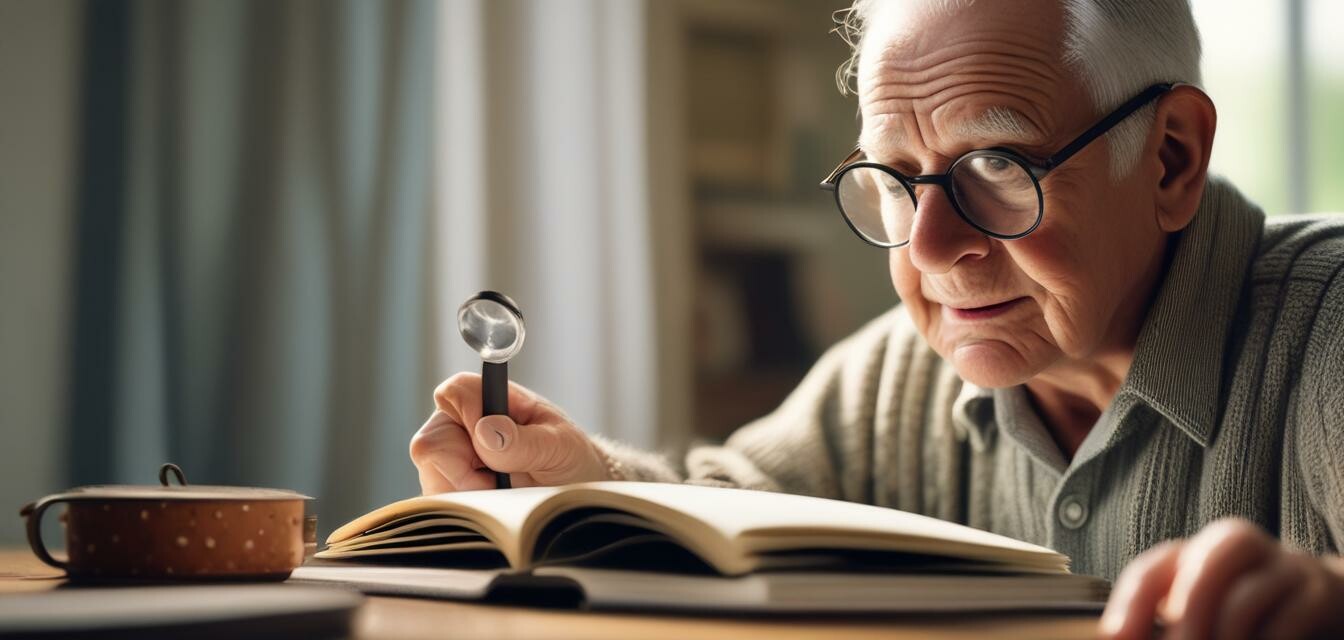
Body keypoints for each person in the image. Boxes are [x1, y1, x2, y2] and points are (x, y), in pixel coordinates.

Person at [409, 0, 1344, 637]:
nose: (930, 250)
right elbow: (732, 508)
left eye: (997, 166)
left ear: (1171, 159)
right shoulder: (895, 378)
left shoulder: (1328, 331)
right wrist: (586, 483)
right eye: (894, 180)